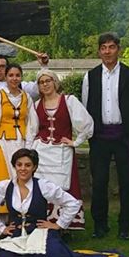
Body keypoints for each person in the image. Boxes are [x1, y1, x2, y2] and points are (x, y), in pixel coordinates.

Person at [0, 148, 129, 257]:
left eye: (27, 165)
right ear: (14, 166)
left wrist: (58, 225)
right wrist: (1, 229)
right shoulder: (5, 186)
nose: (23, 169)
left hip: (40, 232)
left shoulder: (43, 186)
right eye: (19, 165)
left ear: (34, 167)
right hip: (16, 234)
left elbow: (72, 203)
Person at [81, 33, 129, 240]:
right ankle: (100, 224)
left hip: (123, 135)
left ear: (119, 49)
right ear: (99, 51)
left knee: (127, 182)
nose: (107, 51)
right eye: (104, 48)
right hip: (99, 136)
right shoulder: (90, 77)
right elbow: (86, 106)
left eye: (111, 47)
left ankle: (125, 225)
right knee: (99, 182)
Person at [30, 70, 93, 232]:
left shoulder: (69, 101)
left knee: (62, 187)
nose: (45, 84)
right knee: (43, 187)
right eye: (41, 82)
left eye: (48, 81)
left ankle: (64, 225)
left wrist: (76, 141)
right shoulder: (36, 105)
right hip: (42, 152)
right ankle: (43, 224)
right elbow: (31, 129)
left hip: (62, 152)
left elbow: (86, 124)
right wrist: (31, 148)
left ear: (55, 82)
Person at [0, 63, 39, 213]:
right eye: (11, 75)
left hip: (21, 142)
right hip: (3, 141)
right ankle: (2, 215)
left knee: (22, 175)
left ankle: (22, 212)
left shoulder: (27, 98)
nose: (14, 78)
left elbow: (32, 123)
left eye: (17, 75)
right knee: (3, 177)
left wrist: (30, 145)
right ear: (6, 77)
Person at [0, 32, 49, 98]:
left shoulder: (21, 85)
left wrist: (44, 66)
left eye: (2, 66)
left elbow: (38, 89)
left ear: (8, 69)